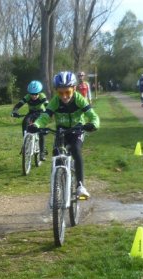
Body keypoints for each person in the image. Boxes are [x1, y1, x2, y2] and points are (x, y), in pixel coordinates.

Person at [33, 71, 100, 199]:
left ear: (74, 89)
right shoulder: (55, 101)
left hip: (77, 130)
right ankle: (56, 186)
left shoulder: (79, 99)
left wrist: (93, 124)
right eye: (60, 93)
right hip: (61, 131)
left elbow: (93, 115)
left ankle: (80, 186)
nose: (64, 96)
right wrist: (36, 125)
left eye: (67, 92)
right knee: (56, 154)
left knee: (75, 149)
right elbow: (45, 116)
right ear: (56, 91)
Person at [11, 80, 49, 161]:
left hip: (40, 113)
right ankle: (25, 143)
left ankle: (42, 152)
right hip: (31, 113)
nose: (34, 96)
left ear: (39, 92)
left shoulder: (42, 96)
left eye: (36, 94)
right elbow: (19, 104)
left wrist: (48, 112)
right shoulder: (27, 97)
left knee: (40, 130)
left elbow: (47, 105)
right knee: (25, 122)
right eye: (32, 94)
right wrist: (14, 111)